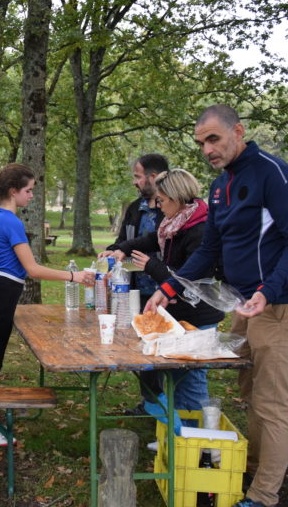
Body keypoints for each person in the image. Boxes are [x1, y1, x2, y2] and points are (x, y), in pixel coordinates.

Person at [145, 104, 288, 507]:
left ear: (237, 131)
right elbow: (210, 249)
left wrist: (267, 291)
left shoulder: (274, 174)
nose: (207, 149)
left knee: (272, 400)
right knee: (250, 389)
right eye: (201, 142)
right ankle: (253, 464)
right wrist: (168, 287)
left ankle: (264, 494)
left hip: (280, 300)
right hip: (245, 304)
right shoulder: (221, 186)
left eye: (214, 139)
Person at [0, 163, 94, 445]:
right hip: (2, 292)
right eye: (28, 190)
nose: (31, 196)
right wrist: (75, 276)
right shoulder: (11, 221)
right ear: (13, 191)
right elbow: (32, 269)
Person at [100, 169, 224, 414]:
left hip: (199, 316)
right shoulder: (173, 225)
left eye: (162, 201)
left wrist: (151, 266)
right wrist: (121, 249)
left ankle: (195, 440)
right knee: (174, 376)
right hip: (178, 313)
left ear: (177, 197)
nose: (159, 206)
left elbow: (188, 280)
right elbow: (149, 240)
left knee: (191, 379)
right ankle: (176, 437)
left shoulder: (199, 231)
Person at [104, 153, 168, 416]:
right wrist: (112, 251)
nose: (135, 182)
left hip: (167, 293)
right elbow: (122, 241)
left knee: (162, 355)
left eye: (137, 176)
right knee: (141, 353)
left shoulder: (173, 209)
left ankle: (167, 407)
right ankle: (150, 403)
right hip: (134, 293)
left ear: (153, 177)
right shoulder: (134, 209)